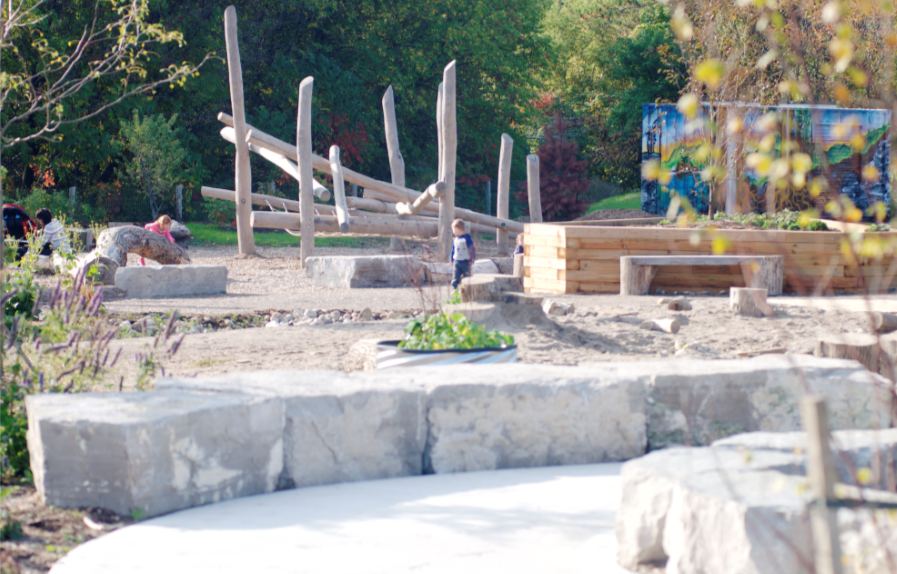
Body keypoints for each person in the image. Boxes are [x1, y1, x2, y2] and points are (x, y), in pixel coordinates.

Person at [450, 218, 476, 290]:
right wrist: (451, 259)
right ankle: (455, 290)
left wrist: (472, 259)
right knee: (455, 277)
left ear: (457, 228)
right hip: (456, 261)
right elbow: (453, 249)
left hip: (465, 261)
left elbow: (472, 249)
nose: (453, 231)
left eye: (453, 229)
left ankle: (468, 290)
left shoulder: (467, 239)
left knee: (467, 277)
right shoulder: (455, 239)